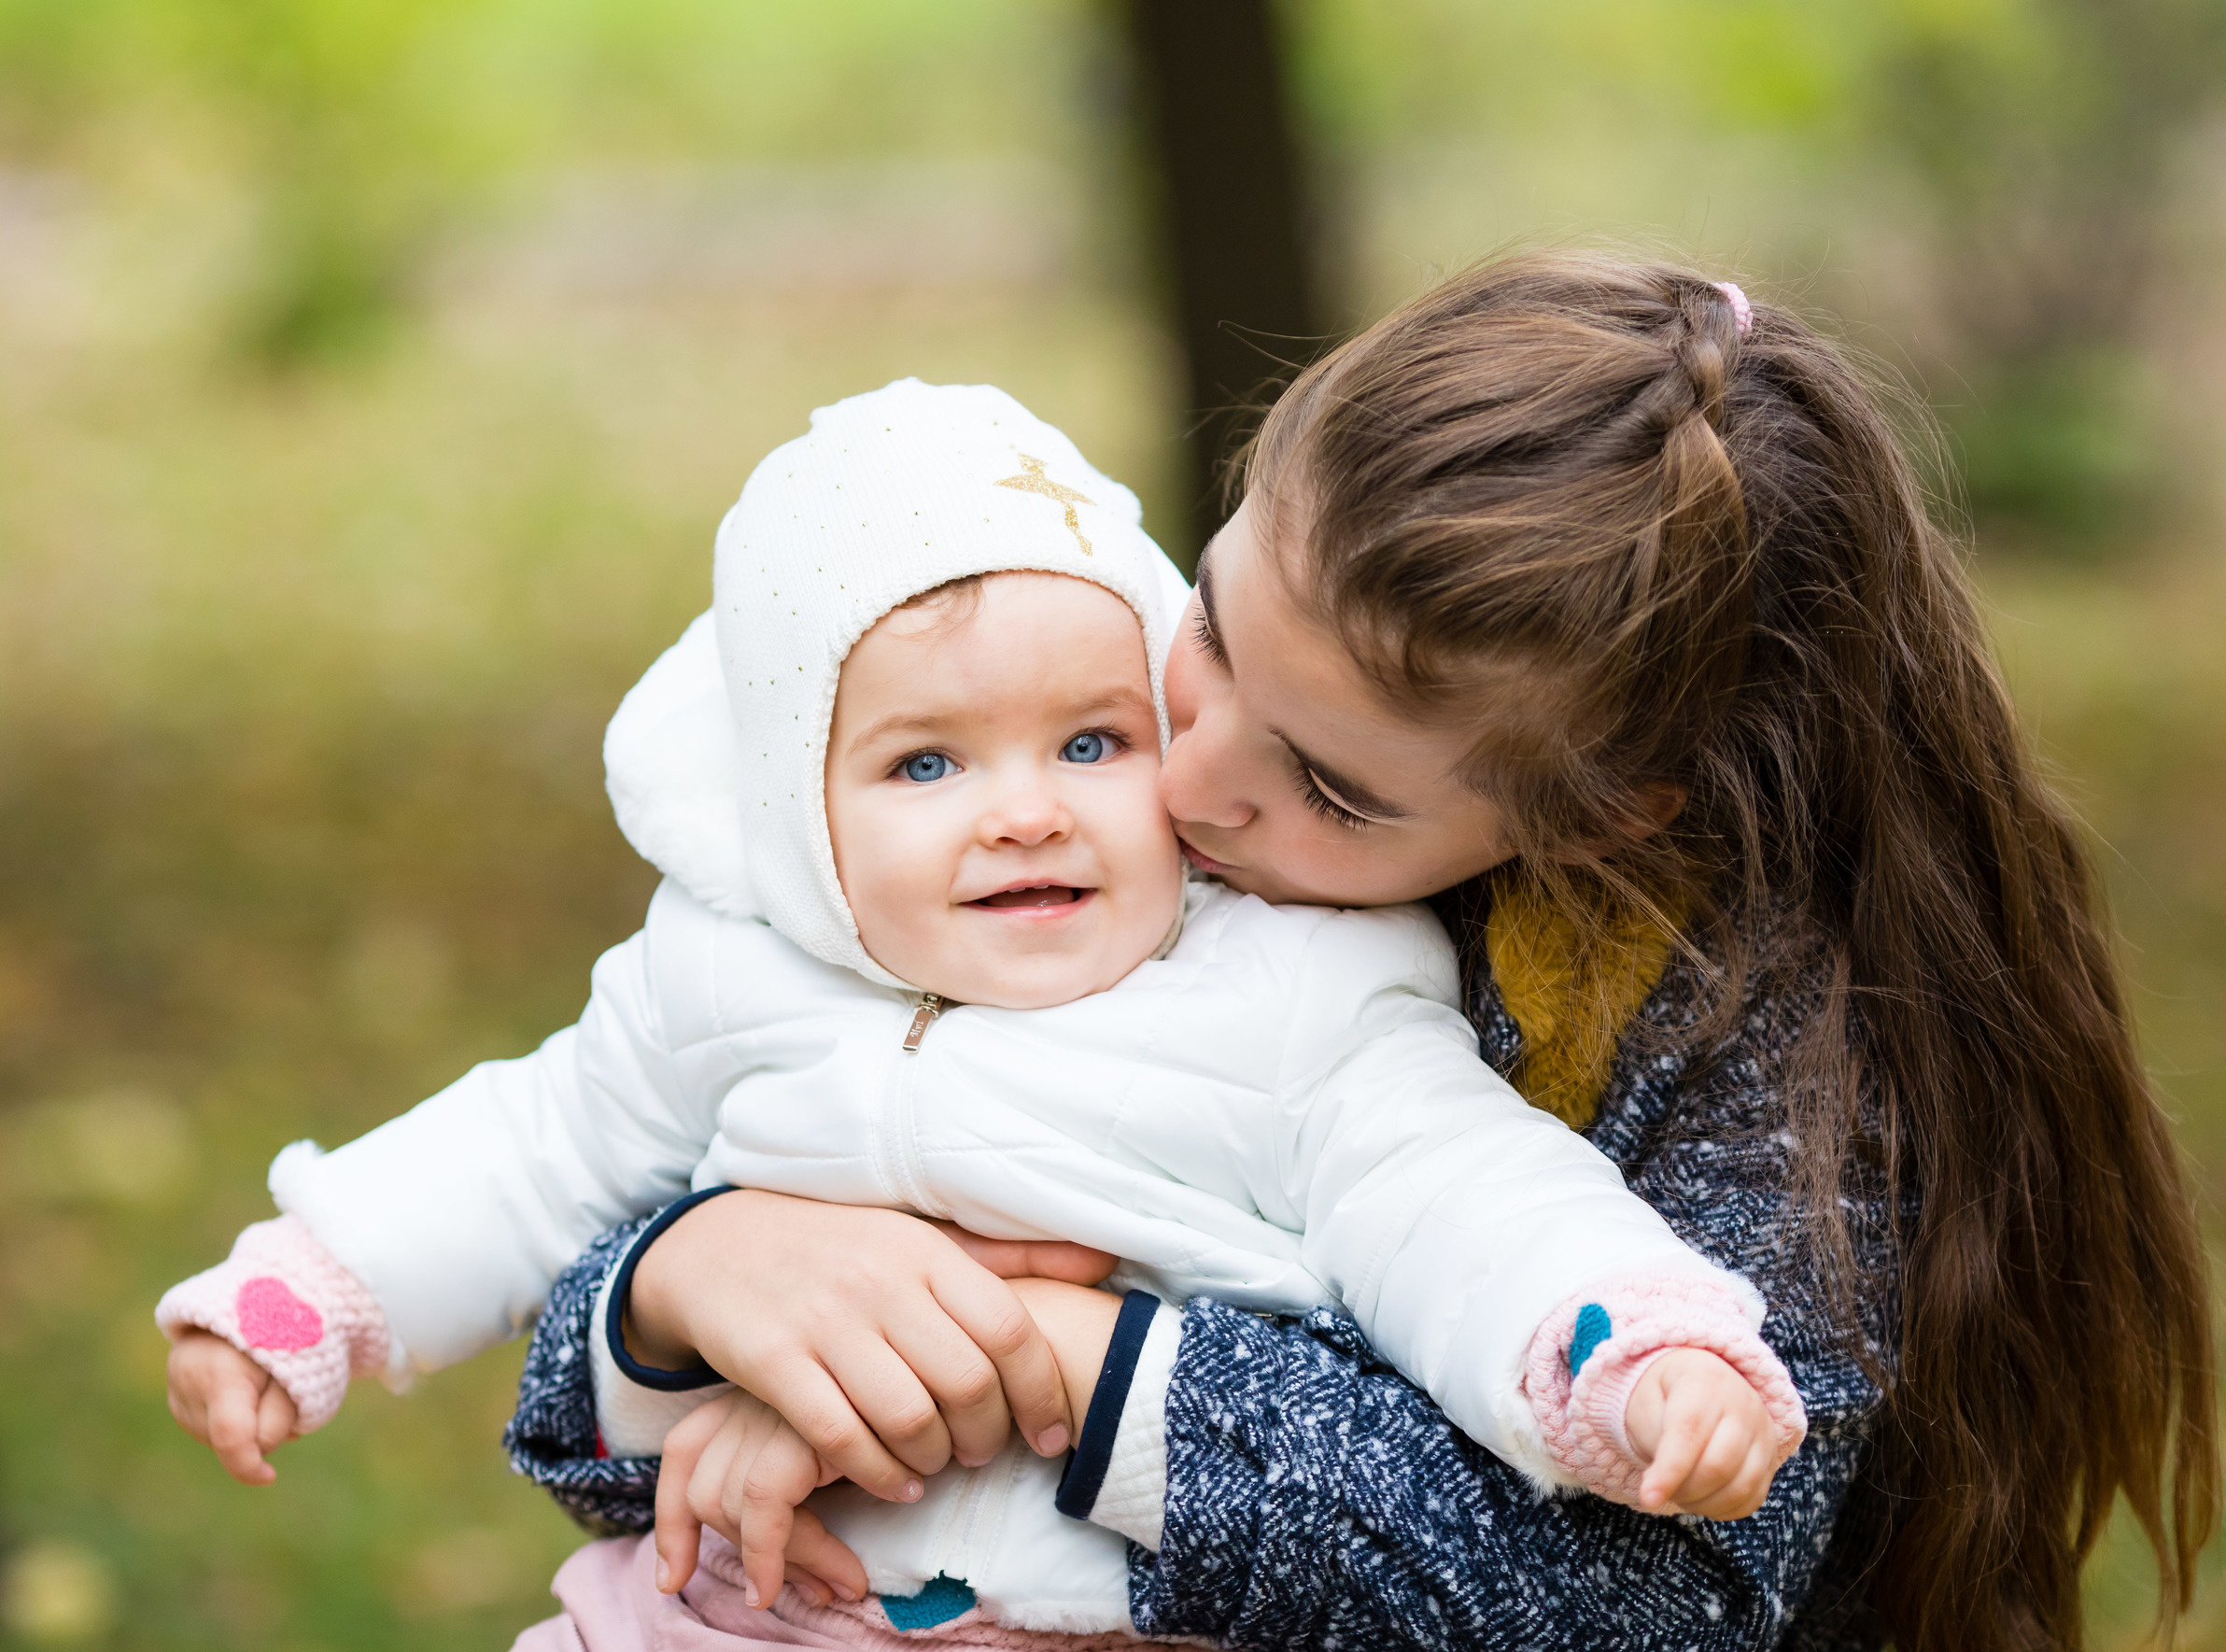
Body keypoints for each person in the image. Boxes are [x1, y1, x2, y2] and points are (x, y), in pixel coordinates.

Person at [506, 253, 2220, 1652]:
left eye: (1326, 783)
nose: (1188, 778)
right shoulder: (1062, 803)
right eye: (1217, 630)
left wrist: (1057, 1361)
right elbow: (624, 1455)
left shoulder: (1776, 1052)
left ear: (1609, 813)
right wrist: (683, 1283)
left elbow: (1654, 1603)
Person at [157, 378, 1805, 1644]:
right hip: (715, 1597)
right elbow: (532, 1146)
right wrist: (309, 1292)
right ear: (797, 803)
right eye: (928, 763)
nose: (1025, 810)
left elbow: (1465, 1200)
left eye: (1090, 741)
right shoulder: (725, 974)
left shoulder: (1295, 996)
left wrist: (1632, 1348)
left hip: (1094, 1612)